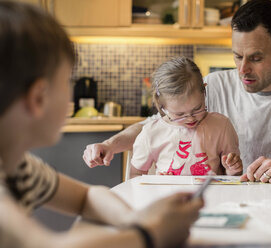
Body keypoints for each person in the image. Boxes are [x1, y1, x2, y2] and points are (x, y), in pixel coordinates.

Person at [0, 2, 203, 248]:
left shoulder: (18, 166)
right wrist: (151, 232)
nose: (71, 95)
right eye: (67, 82)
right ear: (38, 98)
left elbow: (87, 196)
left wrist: (136, 219)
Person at [83, 0, 271, 183]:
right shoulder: (217, 83)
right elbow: (155, 125)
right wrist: (109, 145)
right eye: (237, 56)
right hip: (231, 194)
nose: (242, 69)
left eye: (256, 58)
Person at [130, 57, 242, 177]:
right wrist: (157, 184)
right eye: (179, 114)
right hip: (169, 195)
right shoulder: (151, 132)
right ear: (162, 106)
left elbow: (233, 177)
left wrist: (233, 169)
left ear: (204, 91)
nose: (190, 118)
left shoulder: (221, 125)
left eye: (197, 109)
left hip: (210, 195)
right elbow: (136, 175)